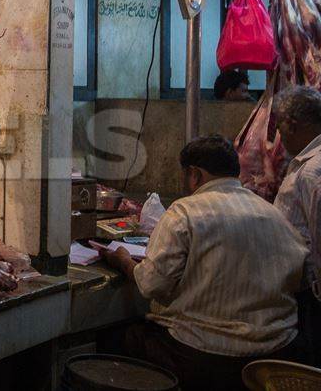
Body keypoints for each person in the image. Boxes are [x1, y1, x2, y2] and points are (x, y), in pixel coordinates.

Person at [100, 135, 307, 391]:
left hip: (200, 354)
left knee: (114, 340)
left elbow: (151, 285)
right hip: (274, 357)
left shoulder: (184, 211)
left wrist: (123, 262)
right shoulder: (273, 213)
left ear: (194, 174)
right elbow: (299, 275)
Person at [273, 86, 321, 366]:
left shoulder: (314, 170)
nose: (278, 135)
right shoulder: (306, 164)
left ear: (291, 124)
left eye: (279, 127)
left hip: (311, 296)